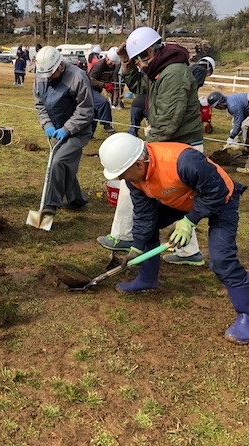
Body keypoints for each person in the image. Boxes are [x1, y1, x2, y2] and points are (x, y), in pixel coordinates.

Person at [98, 132, 249, 344]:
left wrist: (189, 221)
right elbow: (144, 215)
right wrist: (138, 248)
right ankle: (147, 279)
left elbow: (216, 191)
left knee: (221, 259)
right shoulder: (135, 179)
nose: (122, 179)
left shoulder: (183, 161)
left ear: (139, 164)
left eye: (122, 174)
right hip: (180, 199)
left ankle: (247, 314)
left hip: (221, 198)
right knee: (147, 227)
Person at [97, 27, 205, 266]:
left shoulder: (174, 73)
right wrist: (126, 64)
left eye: (143, 58)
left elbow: (169, 120)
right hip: (170, 142)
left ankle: (125, 236)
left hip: (182, 146)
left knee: (141, 182)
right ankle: (188, 252)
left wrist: (143, 148)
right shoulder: (158, 69)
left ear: (157, 48)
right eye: (138, 59)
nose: (142, 64)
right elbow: (137, 86)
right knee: (175, 198)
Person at [33, 46, 94, 218]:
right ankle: (76, 199)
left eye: (51, 74)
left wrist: (67, 129)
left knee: (58, 162)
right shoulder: (41, 76)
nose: (48, 78)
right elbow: (40, 105)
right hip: (56, 128)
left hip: (78, 130)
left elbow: (86, 110)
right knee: (64, 163)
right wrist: (47, 125)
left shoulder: (77, 77)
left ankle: (50, 206)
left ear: (60, 65)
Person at [88, 47, 118, 134]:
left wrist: (110, 85)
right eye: (111, 61)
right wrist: (105, 85)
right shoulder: (99, 65)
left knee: (95, 112)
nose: (112, 64)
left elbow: (109, 77)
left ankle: (90, 133)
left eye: (114, 63)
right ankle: (106, 124)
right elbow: (90, 80)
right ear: (107, 57)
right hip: (88, 89)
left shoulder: (112, 66)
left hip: (97, 90)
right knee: (103, 103)